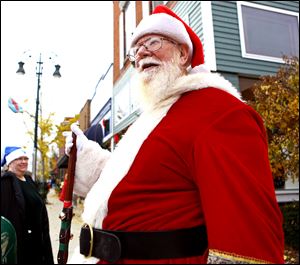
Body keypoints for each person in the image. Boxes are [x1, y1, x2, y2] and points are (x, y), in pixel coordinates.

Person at [65, 5, 284, 264]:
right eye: (136, 49)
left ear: (183, 54)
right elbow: (146, 185)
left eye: (154, 42)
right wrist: (89, 157)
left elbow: (248, 235)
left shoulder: (218, 111)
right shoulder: (154, 117)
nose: (142, 52)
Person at [1, 146, 54, 264]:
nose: (24, 161)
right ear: (10, 162)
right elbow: (6, 216)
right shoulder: (5, 183)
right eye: (19, 158)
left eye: (26, 158)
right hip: (22, 243)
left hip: (38, 238)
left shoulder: (29, 180)